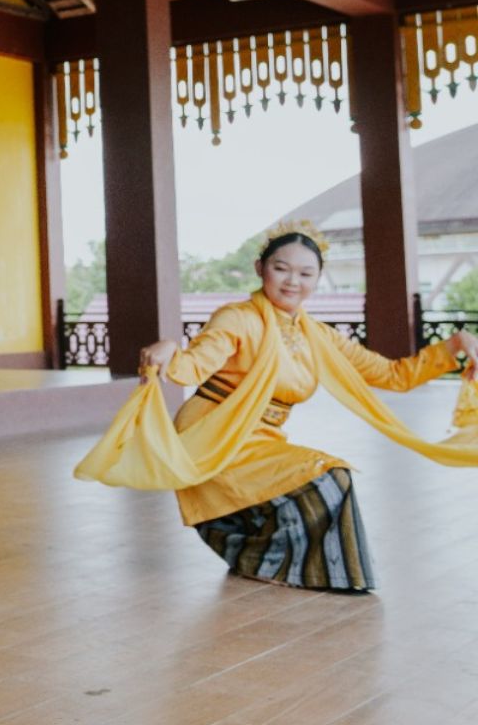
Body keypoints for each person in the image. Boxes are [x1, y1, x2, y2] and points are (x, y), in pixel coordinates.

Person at [77, 220, 478, 591]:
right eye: (282, 269)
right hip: (213, 435)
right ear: (260, 268)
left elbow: (394, 375)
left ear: (318, 280)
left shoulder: (317, 335)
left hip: (261, 439)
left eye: (306, 274)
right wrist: (170, 350)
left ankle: (290, 568)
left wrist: (456, 345)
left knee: (325, 475)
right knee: (329, 474)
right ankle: (268, 563)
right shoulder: (237, 318)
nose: (293, 282)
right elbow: (196, 362)